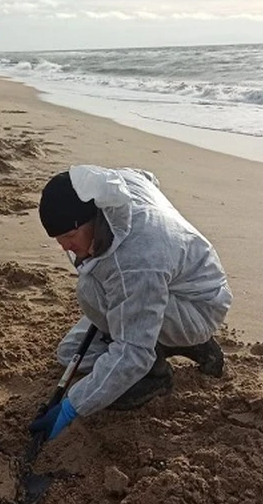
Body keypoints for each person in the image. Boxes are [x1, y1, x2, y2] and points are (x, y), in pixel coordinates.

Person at [29, 165, 232, 441]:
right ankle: (165, 338)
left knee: (92, 290)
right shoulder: (114, 190)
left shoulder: (136, 262)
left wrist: (71, 406)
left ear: (91, 219)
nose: (65, 247)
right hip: (171, 285)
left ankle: (156, 373)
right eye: (58, 240)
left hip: (198, 306)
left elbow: (132, 350)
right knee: (70, 354)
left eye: (69, 237)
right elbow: (148, 176)